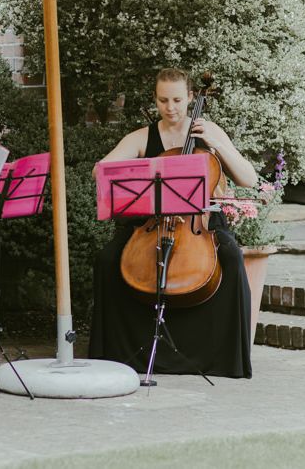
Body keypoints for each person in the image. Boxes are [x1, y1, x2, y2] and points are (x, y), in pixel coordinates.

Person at [88, 68, 258, 378]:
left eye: (178, 99)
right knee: (108, 259)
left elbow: (248, 178)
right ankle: (114, 354)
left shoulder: (211, 132)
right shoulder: (142, 137)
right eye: (163, 100)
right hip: (151, 221)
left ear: (191, 97)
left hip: (201, 223)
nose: (171, 108)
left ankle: (224, 359)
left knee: (231, 258)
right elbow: (101, 171)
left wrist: (216, 144)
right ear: (155, 99)